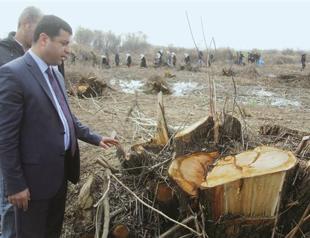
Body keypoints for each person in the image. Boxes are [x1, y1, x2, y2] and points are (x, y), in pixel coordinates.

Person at [0, 15, 119, 238]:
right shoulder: (13, 74)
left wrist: (95, 137)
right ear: (44, 39)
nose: (68, 50)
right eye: (64, 43)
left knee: (51, 232)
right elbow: (5, 137)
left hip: (58, 176)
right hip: (32, 183)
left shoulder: (54, 73)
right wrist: (15, 185)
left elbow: (66, 117)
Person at [0, 6, 43, 238]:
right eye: (38, 28)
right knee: (10, 206)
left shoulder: (34, 56)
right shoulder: (2, 53)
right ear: (27, 24)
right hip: (7, 143)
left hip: (31, 148)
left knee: (26, 207)